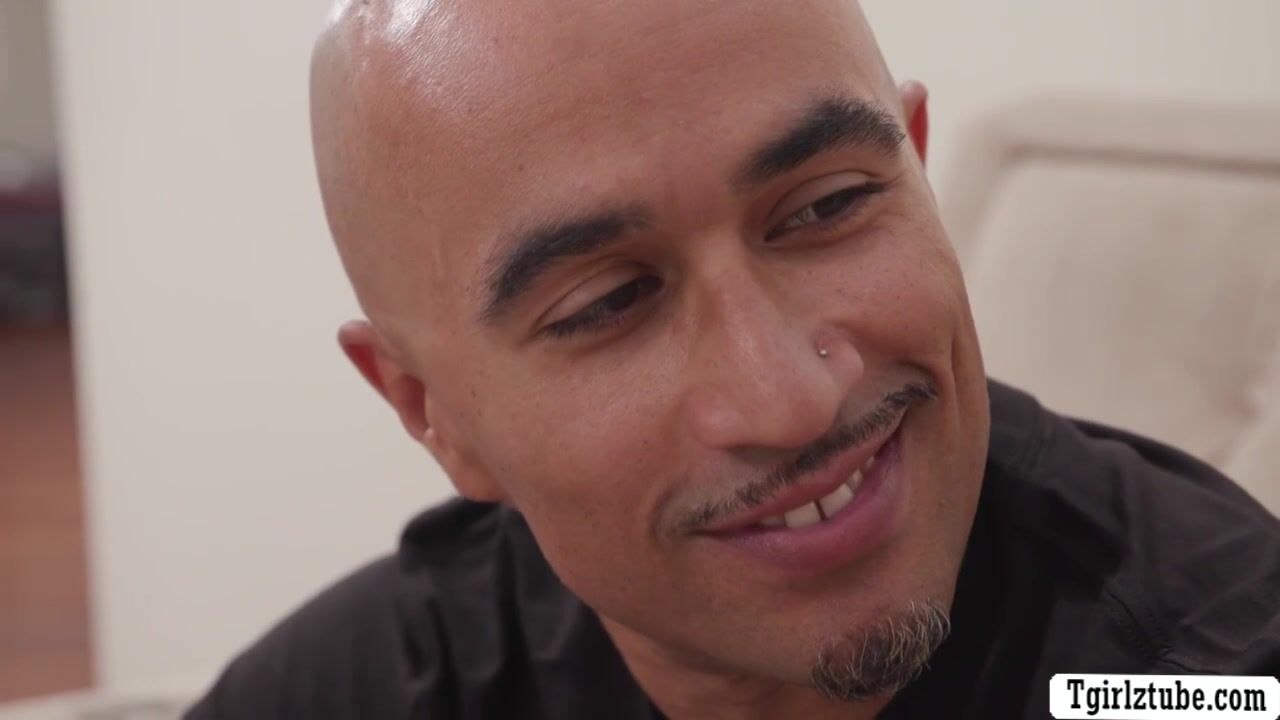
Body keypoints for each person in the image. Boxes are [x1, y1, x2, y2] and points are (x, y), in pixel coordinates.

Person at [186, 0, 1280, 717]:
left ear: (916, 171)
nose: (789, 398)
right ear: (431, 411)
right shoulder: (361, 689)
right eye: (609, 302)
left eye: (828, 206)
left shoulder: (1212, 671)